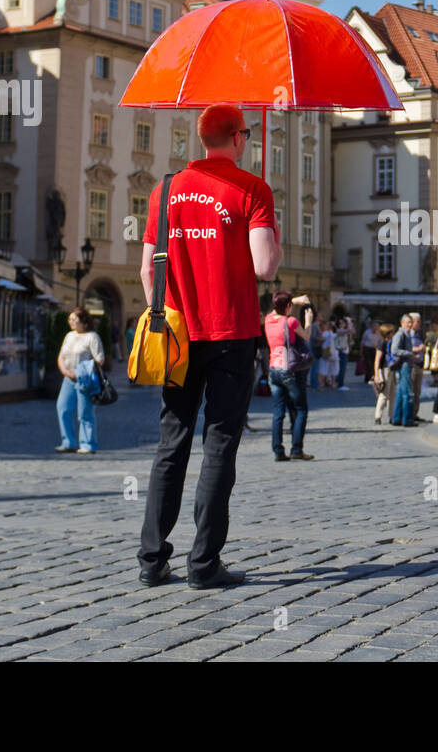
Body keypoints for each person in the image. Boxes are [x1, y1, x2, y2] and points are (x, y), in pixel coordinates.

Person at [137, 103, 281, 590]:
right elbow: (265, 267)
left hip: (177, 335)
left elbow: (146, 270)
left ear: (202, 139)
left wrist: (171, 311)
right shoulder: (253, 190)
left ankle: (152, 559)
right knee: (219, 444)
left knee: (170, 445)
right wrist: (270, 233)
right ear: (239, 138)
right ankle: (204, 564)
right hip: (232, 334)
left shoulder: (166, 189)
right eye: (246, 133)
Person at [264, 292, 313, 461]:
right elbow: (306, 336)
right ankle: (296, 449)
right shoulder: (290, 321)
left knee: (278, 412)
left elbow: (275, 308)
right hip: (288, 370)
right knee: (300, 409)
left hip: (273, 370)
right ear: (288, 307)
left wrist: (292, 301)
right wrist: (309, 321)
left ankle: (278, 451)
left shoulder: (269, 320)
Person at [55, 307, 105, 454]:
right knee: (63, 408)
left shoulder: (92, 337)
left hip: (84, 379)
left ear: (83, 321)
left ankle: (88, 444)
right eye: (70, 319)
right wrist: (64, 370)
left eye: (74, 320)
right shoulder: (69, 336)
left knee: (85, 413)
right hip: (68, 378)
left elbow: (100, 359)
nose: (71, 322)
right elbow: (61, 356)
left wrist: (83, 372)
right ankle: (68, 442)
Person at [389, 314, 420, 425]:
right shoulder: (400, 334)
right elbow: (394, 350)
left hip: (406, 365)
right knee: (407, 393)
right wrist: (410, 354)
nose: (410, 324)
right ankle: (407, 419)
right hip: (404, 365)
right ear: (402, 323)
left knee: (401, 393)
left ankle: (396, 418)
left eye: (411, 322)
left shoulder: (406, 334)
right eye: (408, 322)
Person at [372, 323, 395, 426]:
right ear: (387, 333)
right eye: (392, 332)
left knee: (392, 394)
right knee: (384, 394)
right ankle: (378, 416)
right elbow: (377, 360)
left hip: (392, 369)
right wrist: (376, 375)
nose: (393, 334)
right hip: (385, 370)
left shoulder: (391, 342)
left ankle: (392, 416)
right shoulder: (382, 343)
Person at [408, 313, 426, 419]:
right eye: (417, 321)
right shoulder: (408, 334)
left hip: (419, 364)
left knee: (417, 391)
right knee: (411, 390)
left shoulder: (418, 334)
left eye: (419, 321)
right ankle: (409, 414)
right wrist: (417, 349)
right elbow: (404, 348)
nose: (419, 324)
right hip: (412, 365)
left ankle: (415, 413)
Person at [332, 308, 353, 391]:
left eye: (343, 323)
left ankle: (338, 382)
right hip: (340, 351)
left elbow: (352, 332)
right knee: (341, 368)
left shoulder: (342, 330)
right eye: (341, 323)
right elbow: (350, 330)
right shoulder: (338, 331)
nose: (343, 324)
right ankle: (340, 384)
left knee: (342, 368)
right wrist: (349, 322)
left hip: (344, 351)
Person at [306, 307, 323, 389]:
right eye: (320, 316)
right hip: (314, 348)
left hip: (316, 348)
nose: (321, 317)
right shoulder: (314, 326)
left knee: (316, 367)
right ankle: (314, 383)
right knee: (315, 367)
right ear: (316, 317)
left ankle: (314, 383)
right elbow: (313, 337)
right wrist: (322, 339)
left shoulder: (317, 326)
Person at [318, 320, 338, 389]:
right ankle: (333, 383)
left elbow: (321, 341)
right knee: (333, 369)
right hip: (334, 354)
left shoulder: (325, 333)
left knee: (323, 368)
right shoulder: (333, 333)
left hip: (326, 353)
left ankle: (321, 384)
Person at [360, 320, 381, 384]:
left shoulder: (379, 333)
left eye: (377, 327)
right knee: (368, 363)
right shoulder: (367, 332)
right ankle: (369, 377)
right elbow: (362, 342)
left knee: (374, 363)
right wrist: (361, 351)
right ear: (372, 326)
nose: (376, 328)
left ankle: (372, 376)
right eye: (375, 326)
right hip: (367, 348)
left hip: (375, 349)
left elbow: (380, 341)